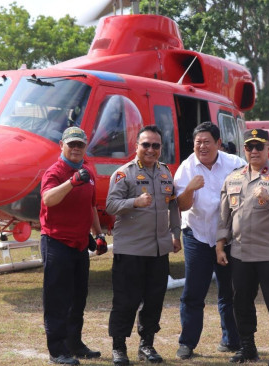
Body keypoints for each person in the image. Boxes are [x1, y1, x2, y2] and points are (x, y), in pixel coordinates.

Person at [216, 128, 269, 366]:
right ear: (244, 149)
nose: (254, 151)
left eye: (259, 146)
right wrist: (220, 245)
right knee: (241, 302)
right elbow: (224, 216)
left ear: (268, 148)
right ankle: (247, 347)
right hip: (241, 253)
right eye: (249, 147)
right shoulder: (233, 178)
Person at [106, 125, 182, 366]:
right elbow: (110, 204)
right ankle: (119, 347)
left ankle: (146, 345)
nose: (150, 149)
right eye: (146, 144)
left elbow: (173, 206)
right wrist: (134, 202)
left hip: (159, 250)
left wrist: (176, 233)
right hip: (131, 250)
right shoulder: (123, 174)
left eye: (155, 145)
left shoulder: (165, 173)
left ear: (160, 148)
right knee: (126, 301)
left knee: (154, 300)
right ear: (136, 146)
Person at [173, 122, 246, 360]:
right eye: (197, 142)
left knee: (230, 291)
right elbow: (181, 206)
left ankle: (232, 340)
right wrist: (189, 190)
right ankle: (187, 344)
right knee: (194, 292)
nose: (201, 146)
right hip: (198, 236)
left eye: (206, 142)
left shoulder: (235, 164)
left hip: (229, 238)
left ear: (218, 144)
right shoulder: (186, 168)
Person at [40, 126, 106, 365]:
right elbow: (48, 199)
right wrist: (71, 182)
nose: (76, 148)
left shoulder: (87, 170)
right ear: (62, 145)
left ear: (85, 146)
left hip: (80, 245)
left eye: (80, 144)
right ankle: (57, 350)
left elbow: (91, 207)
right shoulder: (55, 171)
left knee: (79, 298)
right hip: (56, 243)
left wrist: (98, 235)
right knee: (57, 299)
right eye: (72, 144)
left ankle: (74, 343)